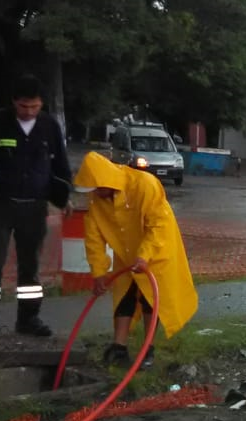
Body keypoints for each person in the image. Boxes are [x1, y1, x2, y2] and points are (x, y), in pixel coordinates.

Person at [71, 151, 198, 369]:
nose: (96, 194)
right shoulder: (97, 199)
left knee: (151, 298)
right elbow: (94, 238)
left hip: (157, 251)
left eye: (98, 188)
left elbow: (158, 225)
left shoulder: (145, 185)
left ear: (107, 180)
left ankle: (148, 349)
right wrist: (99, 273)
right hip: (127, 254)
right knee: (124, 297)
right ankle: (119, 348)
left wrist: (144, 255)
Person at [0, 75, 72, 338]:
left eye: (35, 107)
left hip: (34, 208)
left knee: (31, 265)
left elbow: (59, 166)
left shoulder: (49, 127)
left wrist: (63, 198)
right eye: (24, 106)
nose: (29, 112)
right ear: (15, 102)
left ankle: (29, 318)